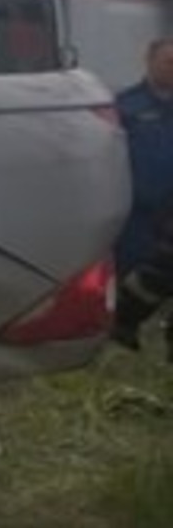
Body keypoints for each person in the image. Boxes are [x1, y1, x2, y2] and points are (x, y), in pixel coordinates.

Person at [109, 38, 173, 353]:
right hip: (135, 213)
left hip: (170, 214)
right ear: (149, 60)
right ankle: (119, 338)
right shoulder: (124, 106)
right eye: (169, 62)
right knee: (130, 277)